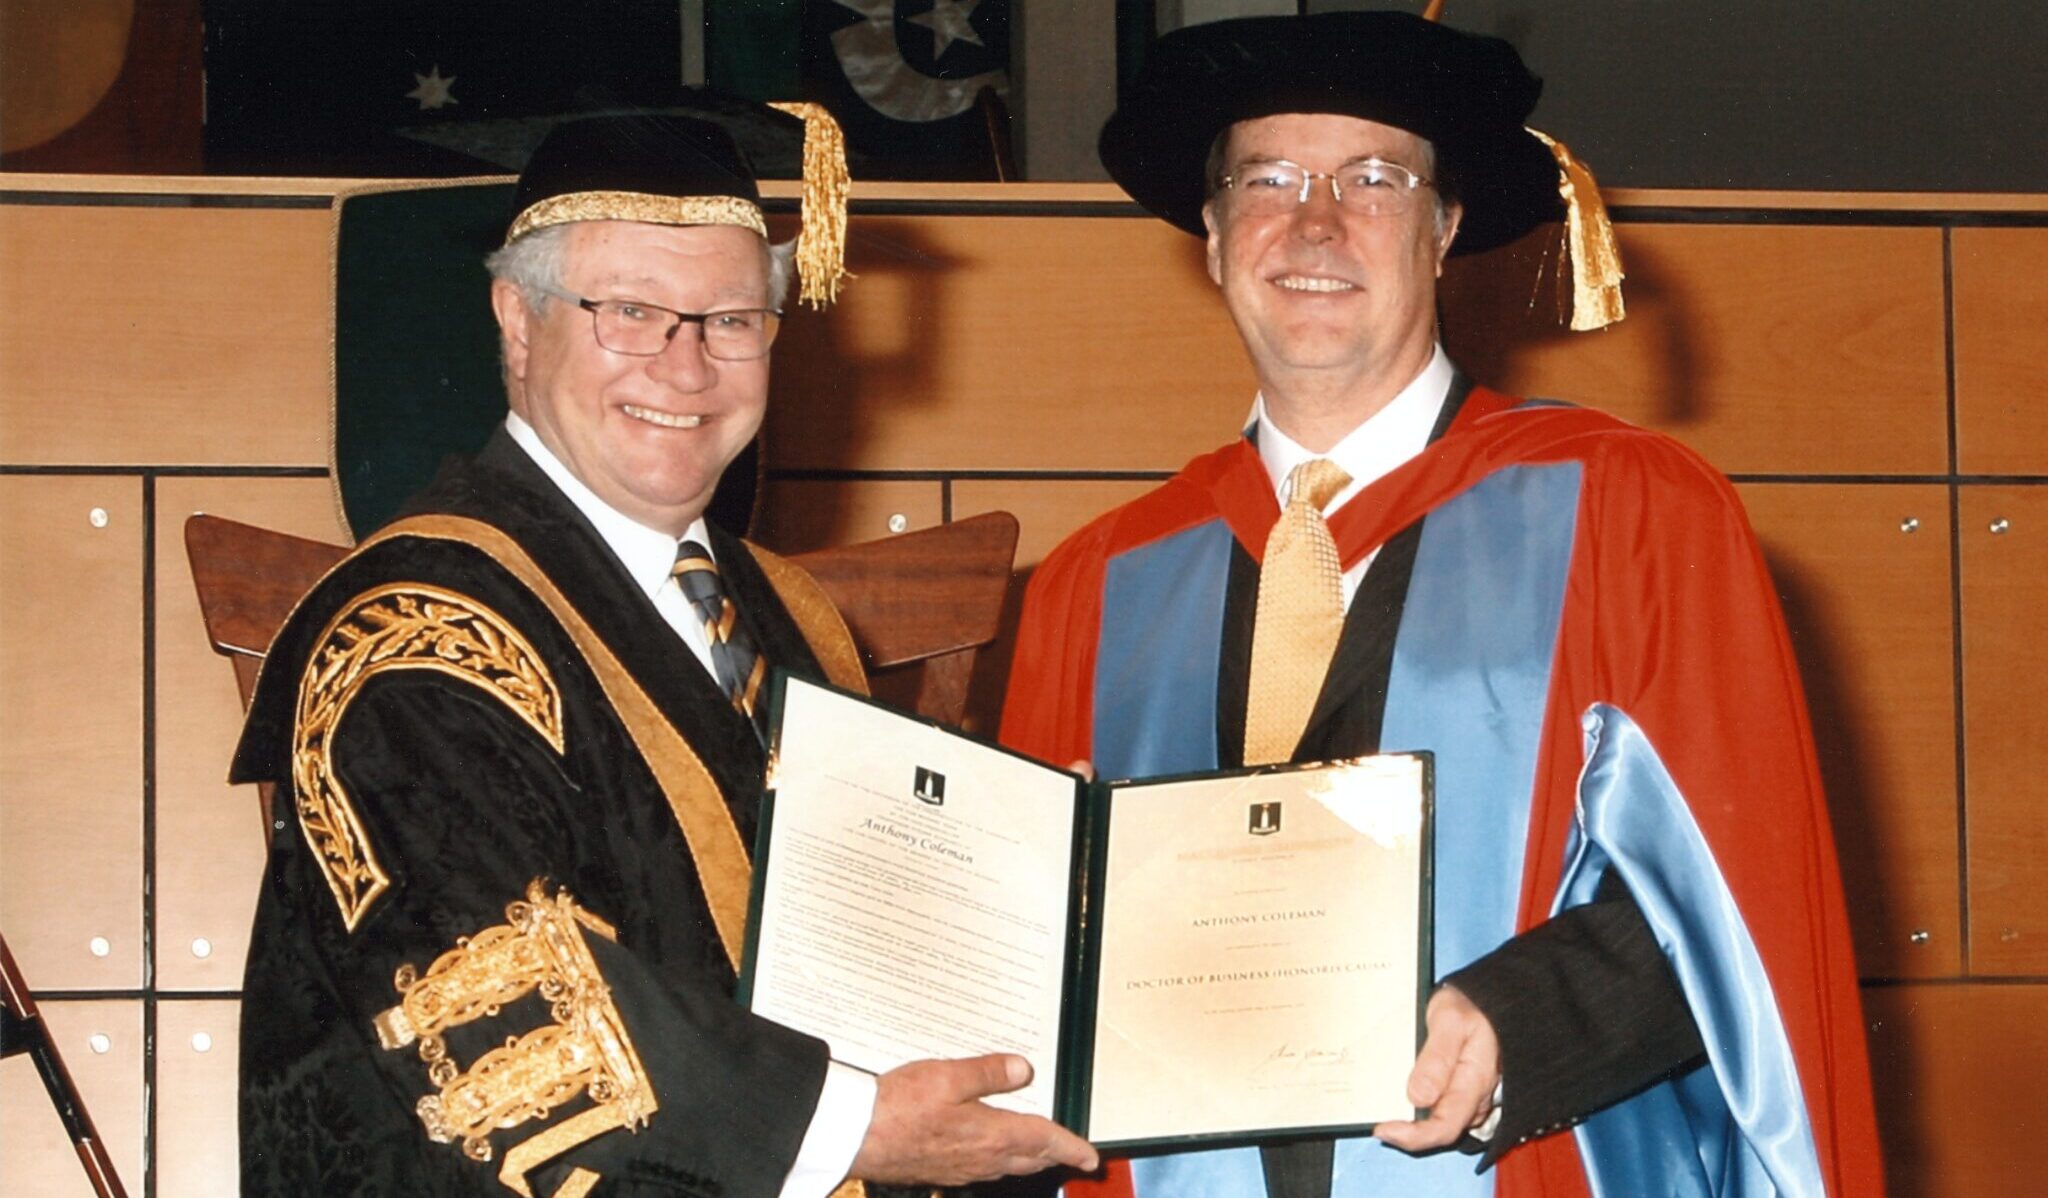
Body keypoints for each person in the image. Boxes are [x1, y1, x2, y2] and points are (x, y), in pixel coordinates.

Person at [1001, 12, 1881, 1198]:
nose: (1314, 223)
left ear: (1442, 227)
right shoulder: (1096, 584)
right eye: (1267, 178)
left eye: (1373, 178)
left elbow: (1741, 907)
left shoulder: (1631, 514)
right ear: (1211, 234)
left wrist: (1522, 1017)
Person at [231, 111, 1096, 1198]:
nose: (685, 367)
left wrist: (1023, 889)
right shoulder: (410, 630)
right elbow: (502, 999)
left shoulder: (788, 615)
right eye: (630, 311)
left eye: (731, 318)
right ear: (516, 318)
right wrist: (858, 1126)